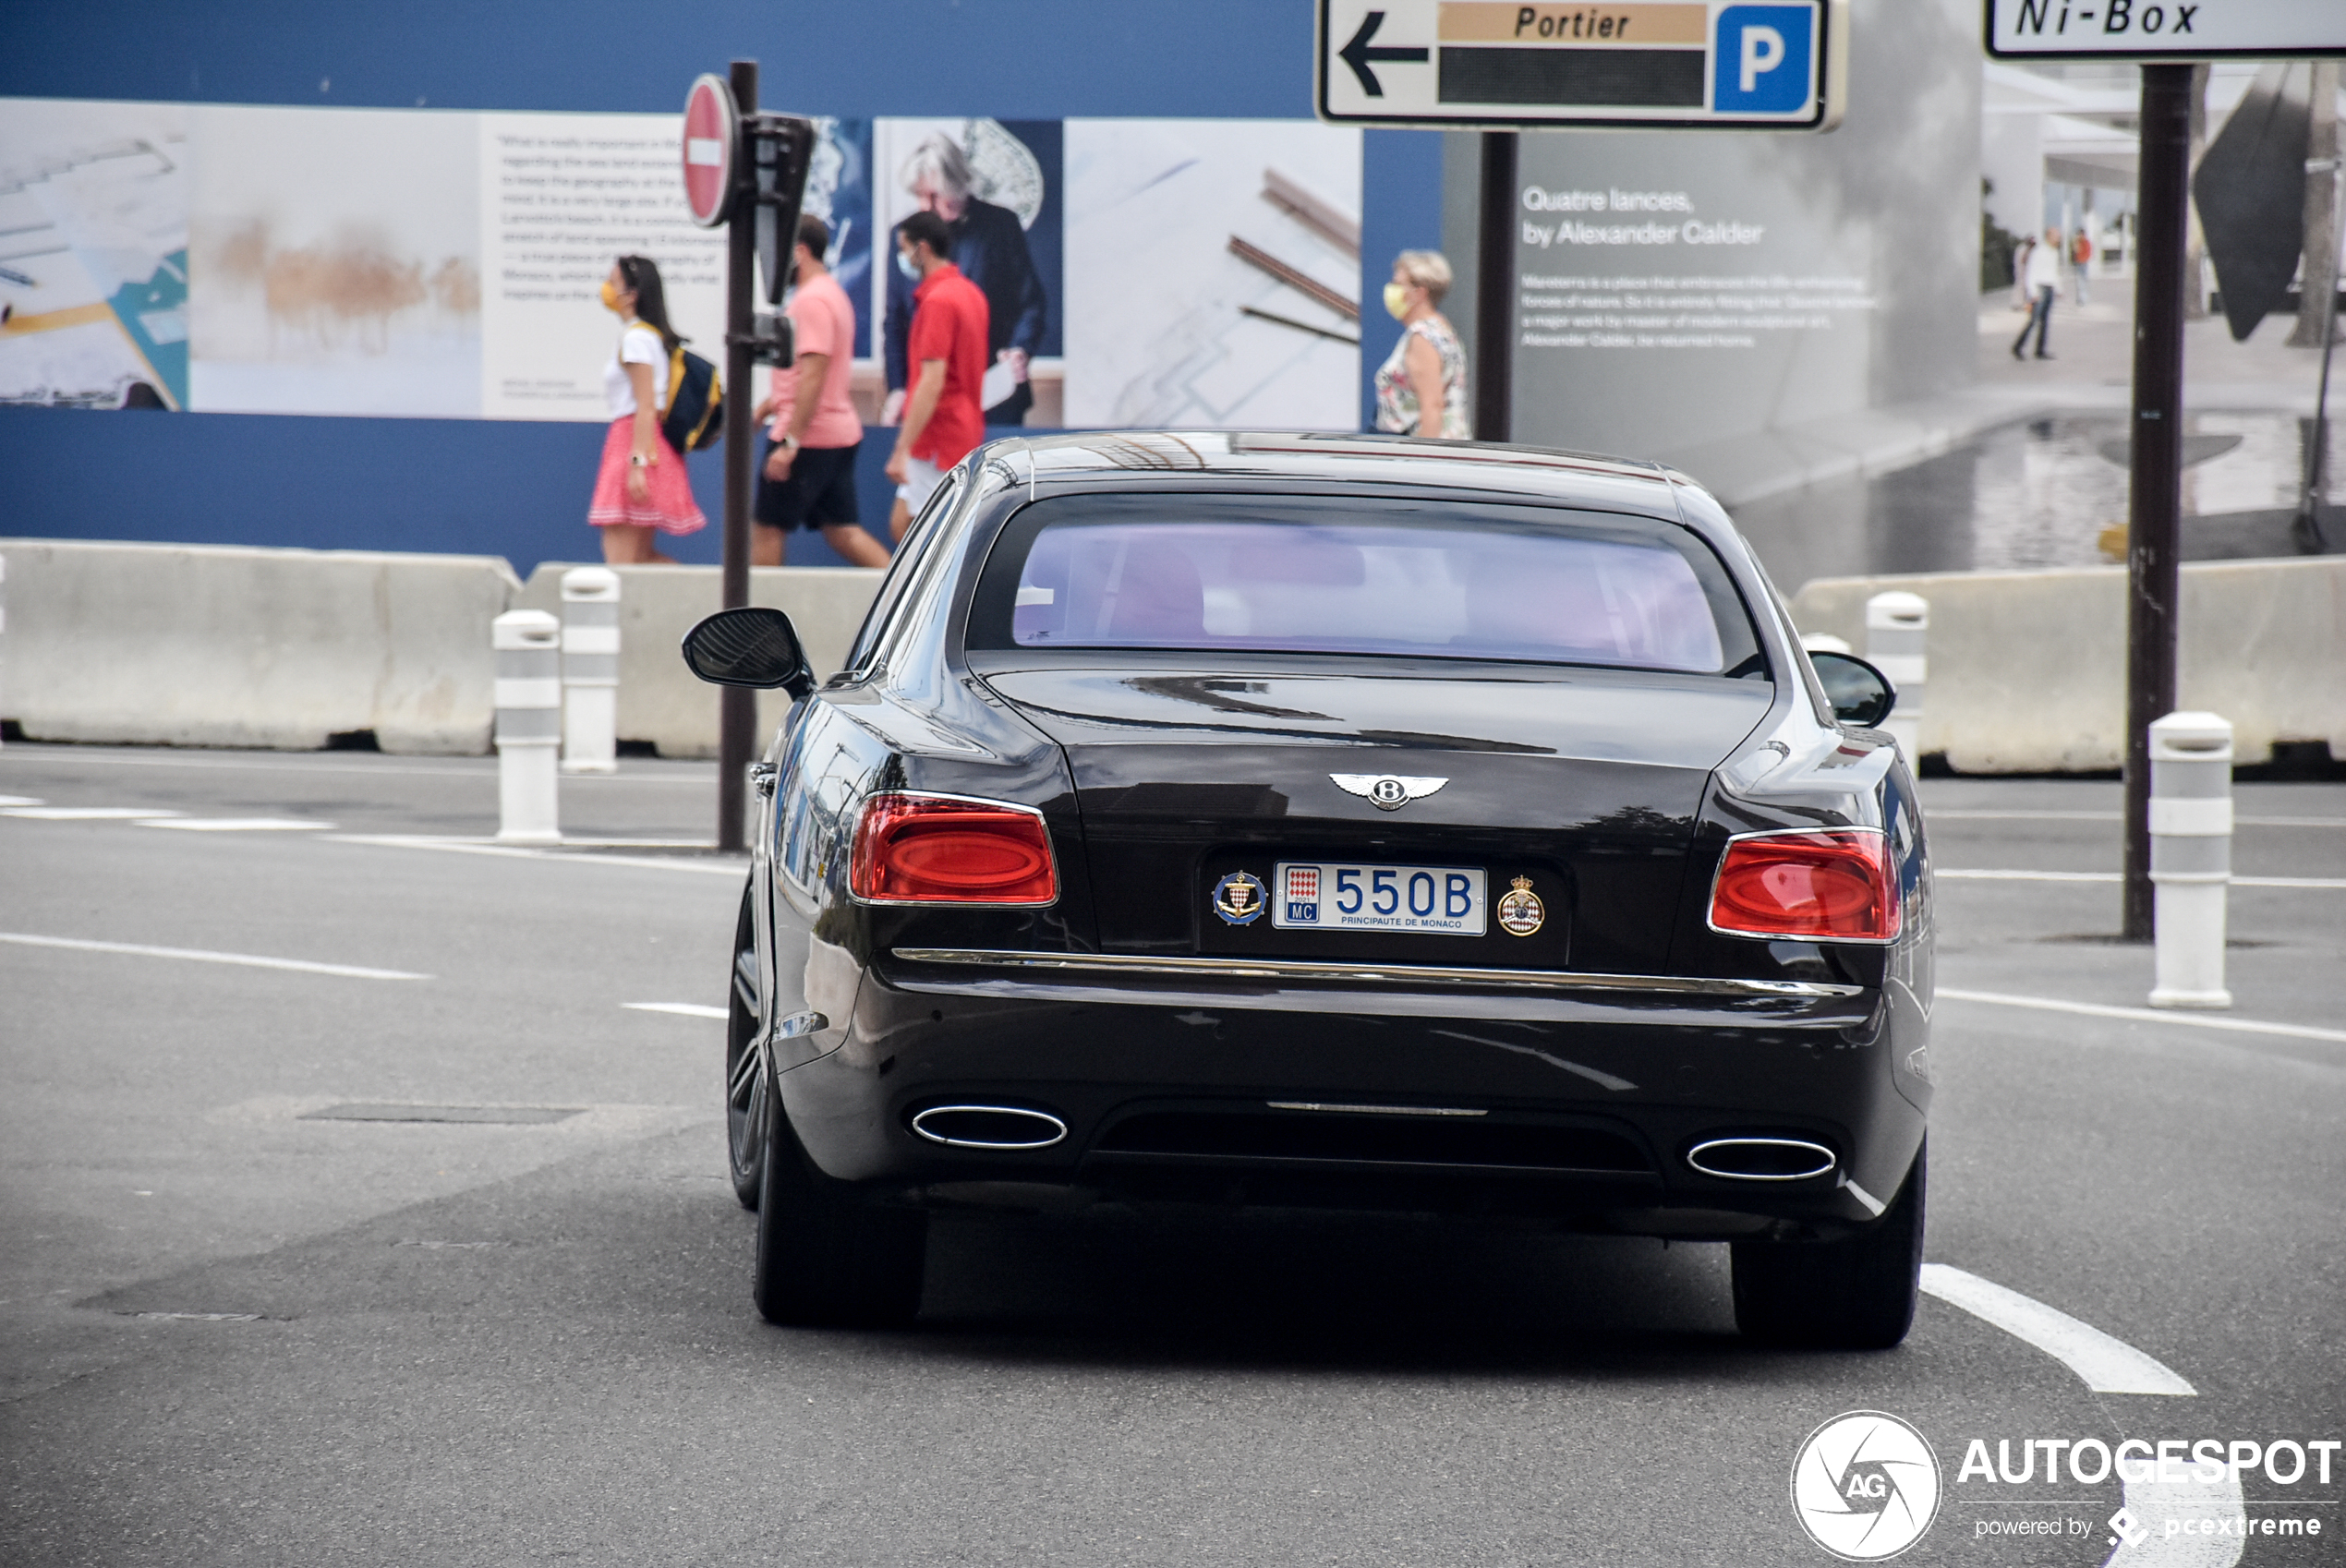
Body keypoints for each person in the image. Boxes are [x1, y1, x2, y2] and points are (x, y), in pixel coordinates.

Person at [881, 132, 1046, 434]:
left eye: (934, 195)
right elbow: (896, 321)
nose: (926, 206)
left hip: (994, 396)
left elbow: (1031, 303)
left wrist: (1020, 349)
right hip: (928, 399)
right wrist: (897, 388)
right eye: (919, 196)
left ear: (957, 185)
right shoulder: (904, 236)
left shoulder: (1000, 226)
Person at [750, 214, 889, 569]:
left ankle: (758, 621)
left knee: (767, 530)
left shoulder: (811, 302)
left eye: (777, 252)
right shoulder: (831, 294)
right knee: (843, 531)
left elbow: (814, 374)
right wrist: (768, 406)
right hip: (836, 433)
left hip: (809, 438)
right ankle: (906, 599)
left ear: (799, 251)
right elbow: (810, 375)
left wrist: (790, 443)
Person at [586, 255, 705, 562]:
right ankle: (699, 600)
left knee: (621, 562)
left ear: (632, 294)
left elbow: (646, 404)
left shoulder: (636, 338)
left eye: (613, 283)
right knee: (639, 559)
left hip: (634, 444)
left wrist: (637, 462)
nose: (607, 289)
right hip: (645, 443)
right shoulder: (648, 336)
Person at [885, 211, 989, 539]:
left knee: (920, 536)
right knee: (911, 529)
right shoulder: (970, 294)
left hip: (937, 440)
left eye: (904, 248)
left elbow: (931, 382)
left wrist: (903, 448)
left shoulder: (938, 303)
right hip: (960, 432)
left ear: (922, 248)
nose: (902, 257)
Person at [1372, 249, 1469, 439]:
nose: (1391, 290)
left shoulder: (1423, 338)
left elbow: (1432, 407)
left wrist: (1422, 461)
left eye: (1398, 284)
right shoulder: (1442, 329)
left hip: (1424, 454)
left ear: (1419, 293)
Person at [2012, 231, 2061, 361]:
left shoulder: (2054, 252)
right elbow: (2031, 273)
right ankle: (2017, 347)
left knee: (2045, 321)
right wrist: (2033, 293)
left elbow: (2054, 272)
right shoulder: (2039, 252)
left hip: (2049, 288)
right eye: (2056, 236)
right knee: (2033, 320)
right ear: (2049, 236)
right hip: (2039, 288)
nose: (2058, 238)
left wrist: (2058, 288)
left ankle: (2040, 350)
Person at [2071, 226, 2094, 306]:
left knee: (2082, 282)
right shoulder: (2079, 242)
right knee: (2079, 282)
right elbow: (2075, 251)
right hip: (2079, 263)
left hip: (2083, 263)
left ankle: (2083, 300)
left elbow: (2084, 252)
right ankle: (2081, 299)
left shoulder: (2085, 242)